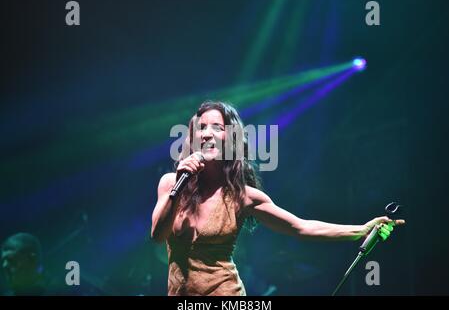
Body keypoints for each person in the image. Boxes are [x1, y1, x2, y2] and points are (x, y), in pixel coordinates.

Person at [150, 101, 404, 296]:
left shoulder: (243, 197)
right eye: (201, 127)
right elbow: (157, 235)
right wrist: (180, 187)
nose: (207, 133)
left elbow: (301, 227)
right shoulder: (171, 184)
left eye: (217, 127)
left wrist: (361, 230)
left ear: (231, 138)